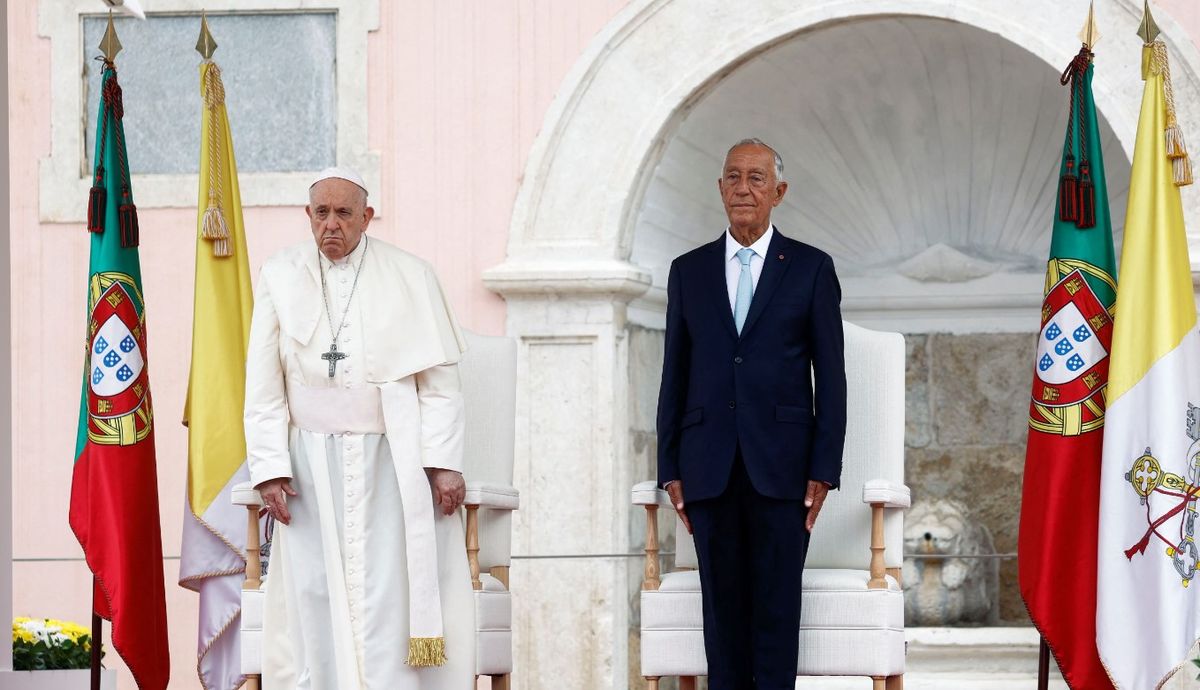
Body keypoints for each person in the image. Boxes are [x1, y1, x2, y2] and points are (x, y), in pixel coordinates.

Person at [244, 166, 473, 689]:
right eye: (320, 213)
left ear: (366, 217)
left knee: (388, 589)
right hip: (308, 465)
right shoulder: (280, 274)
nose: (331, 225)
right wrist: (270, 469)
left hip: (392, 462)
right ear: (308, 216)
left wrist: (441, 466)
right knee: (316, 590)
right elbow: (263, 384)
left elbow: (439, 385)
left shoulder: (410, 275)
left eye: (344, 213)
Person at [656, 139, 847, 690]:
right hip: (707, 465)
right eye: (733, 177)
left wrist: (823, 467)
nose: (743, 187)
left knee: (775, 616)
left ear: (778, 192)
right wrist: (670, 465)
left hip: (784, 468)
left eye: (757, 178)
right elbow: (675, 371)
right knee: (722, 620)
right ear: (720, 189)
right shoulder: (687, 271)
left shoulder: (811, 268)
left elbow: (830, 376)